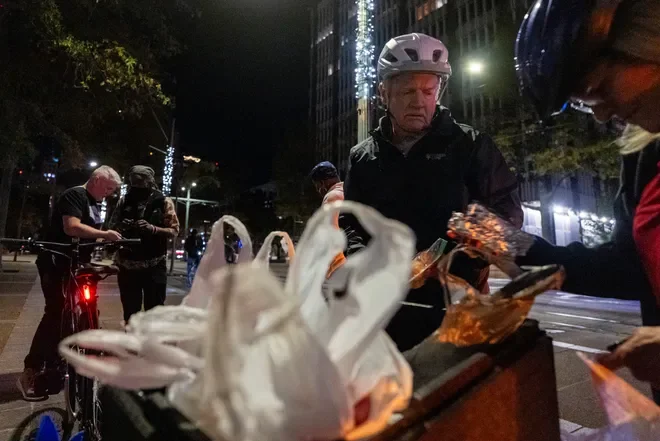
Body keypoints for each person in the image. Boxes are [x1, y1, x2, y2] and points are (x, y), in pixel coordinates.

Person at [505, 0, 660, 402]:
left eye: (600, 89)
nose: (604, 113)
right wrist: (518, 247)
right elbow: (629, 267)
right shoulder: (645, 154)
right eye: (585, 103)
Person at [341, 33, 523, 351]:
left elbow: (506, 214)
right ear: (384, 93)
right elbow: (352, 223)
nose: (419, 100)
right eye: (408, 91)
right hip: (385, 311)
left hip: (457, 308)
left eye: (428, 90)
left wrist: (457, 257)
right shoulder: (362, 157)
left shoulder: (471, 146)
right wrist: (363, 263)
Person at [18, 166, 122, 400]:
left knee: (82, 311)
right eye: (107, 188)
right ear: (95, 180)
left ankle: (62, 362)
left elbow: (89, 235)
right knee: (55, 313)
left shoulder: (95, 203)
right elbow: (71, 227)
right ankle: (31, 370)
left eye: (112, 190)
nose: (108, 193)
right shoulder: (75, 195)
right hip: (55, 264)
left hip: (75, 265)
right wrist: (105, 235)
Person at [109, 166, 179, 323]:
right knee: (130, 313)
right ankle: (130, 345)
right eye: (134, 183)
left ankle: (150, 346)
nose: (137, 186)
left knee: (154, 313)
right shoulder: (124, 200)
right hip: (127, 265)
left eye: (140, 182)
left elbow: (174, 230)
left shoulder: (163, 201)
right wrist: (122, 226)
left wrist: (153, 229)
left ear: (149, 182)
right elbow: (111, 228)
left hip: (154, 266)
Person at [309, 161, 346, 278]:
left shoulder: (332, 197)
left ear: (322, 183)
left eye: (317, 186)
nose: (318, 190)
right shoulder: (349, 190)